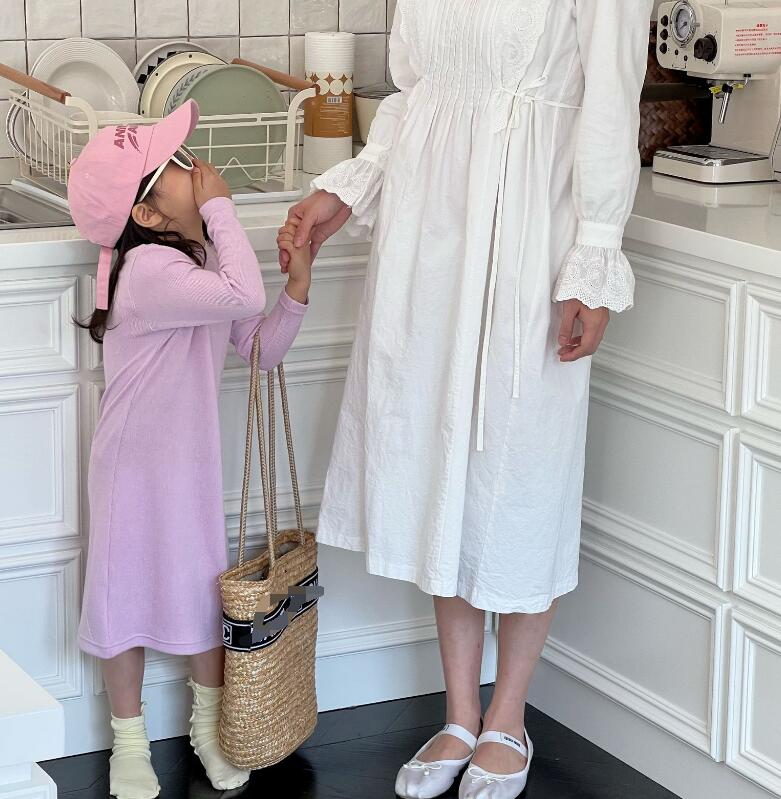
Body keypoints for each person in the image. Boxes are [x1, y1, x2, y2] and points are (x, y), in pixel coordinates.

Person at [280, 2, 653, 797]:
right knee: (438, 468)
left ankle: (506, 717)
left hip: (531, 239)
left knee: (520, 476)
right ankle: (458, 714)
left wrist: (592, 257)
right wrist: (350, 188)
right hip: (427, 233)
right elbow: (413, 95)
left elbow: (610, 104)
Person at [68, 100, 312, 799]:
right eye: (174, 165)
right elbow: (243, 295)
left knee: (202, 597)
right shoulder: (148, 269)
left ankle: (209, 729)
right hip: (133, 466)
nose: (195, 166)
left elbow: (258, 346)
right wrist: (224, 209)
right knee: (122, 599)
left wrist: (298, 284)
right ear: (147, 214)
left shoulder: (191, 262)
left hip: (190, 467)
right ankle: (129, 740)